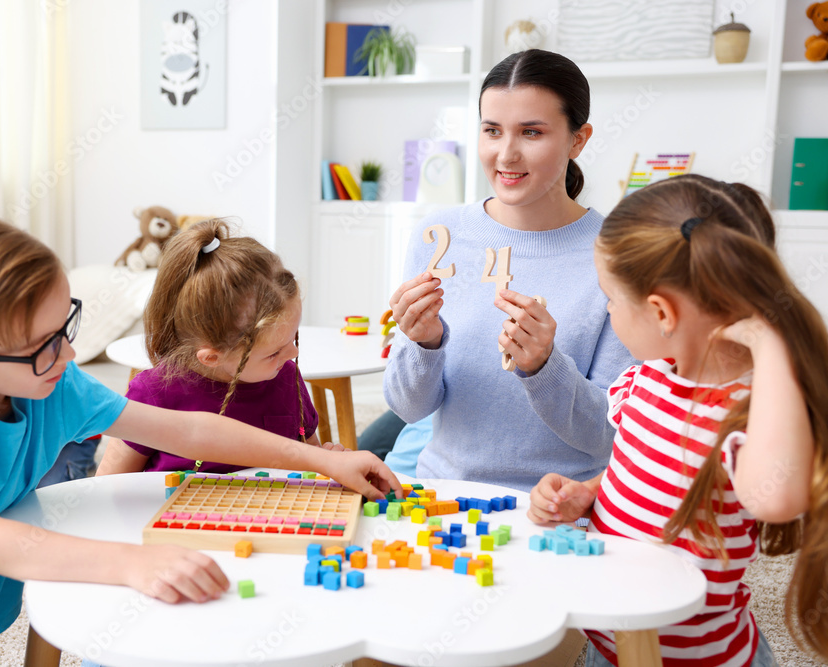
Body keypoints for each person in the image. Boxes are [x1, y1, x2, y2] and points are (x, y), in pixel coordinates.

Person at [0, 209, 400, 665]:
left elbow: (188, 429)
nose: (70, 354)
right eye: (43, 345)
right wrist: (132, 564)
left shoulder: (55, 381)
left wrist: (321, 461)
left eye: (65, 325)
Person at [529, 174, 828, 666]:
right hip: (614, 644)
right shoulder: (648, 378)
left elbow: (775, 499)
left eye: (611, 298)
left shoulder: (754, 411)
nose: (608, 309)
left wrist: (771, 343)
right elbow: (652, 475)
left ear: (662, 313)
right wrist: (591, 494)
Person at [385, 48, 635, 491]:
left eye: (531, 132)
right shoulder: (439, 236)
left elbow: (611, 435)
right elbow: (408, 409)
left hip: (557, 505)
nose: (506, 155)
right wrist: (423, 344)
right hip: (441, 496)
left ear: (578, 140)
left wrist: (544, 367)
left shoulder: (621, 256)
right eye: (492, 131)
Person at [95, 219, 343, 478]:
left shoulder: (286, 378)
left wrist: (329, 463)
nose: (293, 354)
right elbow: (109, 484)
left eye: (294, 337)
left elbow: (310, 459)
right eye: (274, 352)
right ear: (212, 357)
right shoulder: (153, 394)